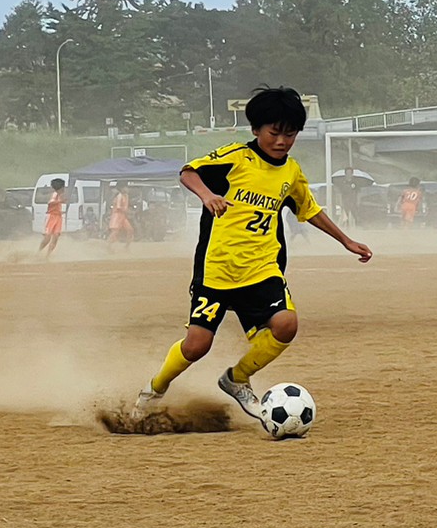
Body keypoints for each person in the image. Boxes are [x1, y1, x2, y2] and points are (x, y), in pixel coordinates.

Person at [134, 87, 373, 426]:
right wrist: (208, 195)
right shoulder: (236, 158)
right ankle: (154, 389)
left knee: (286, 325)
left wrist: (346, 240)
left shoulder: (290, 173)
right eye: (274, 133)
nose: (282, 141)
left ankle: (237, 378)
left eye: (290, 134)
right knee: (197, 346)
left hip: (262, 269)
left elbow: (310, 209)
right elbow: (189, 172)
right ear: (256, 130)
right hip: (217, 269)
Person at [38, 178, 66, 258]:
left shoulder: (59, 195)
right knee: (48, 237)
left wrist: (60, 211)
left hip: (58, 217)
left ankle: (47, 255)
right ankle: (38, 252)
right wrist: (60, 202)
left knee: (56, 236)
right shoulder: (55, 194)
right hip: (51, 217)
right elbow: (51, 203)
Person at [106, 183, 134, 250]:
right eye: (126, 187)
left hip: (123, 216)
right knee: (115, 232)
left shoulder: (126, 196)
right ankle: (108, 246)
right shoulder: (119, 196)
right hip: (117, 215)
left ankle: (126, 247)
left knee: (130, 230)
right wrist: (127, 211)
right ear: (122, 188)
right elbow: (118, 207)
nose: (127, 189)